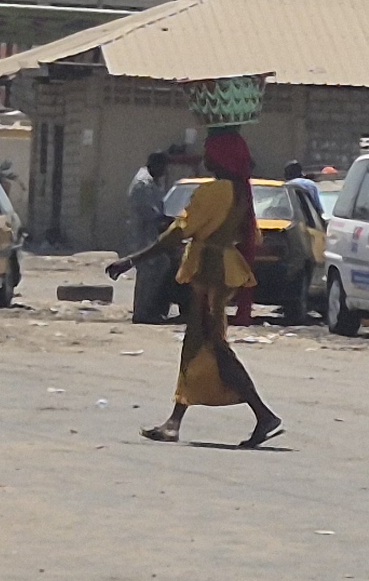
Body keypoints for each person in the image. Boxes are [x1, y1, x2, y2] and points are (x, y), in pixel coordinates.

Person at [109, 127, 280, 448]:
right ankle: (174, 421)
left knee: (214, 346)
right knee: (196, 345)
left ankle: (263, 413)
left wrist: (130, 260)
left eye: (209, 150)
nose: (205, 157)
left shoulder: (213, 191)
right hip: (219, 269)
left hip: (209, 273)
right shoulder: (240, 191)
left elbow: (178, 232)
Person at [122, 147, 179, 263]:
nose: (165, 170)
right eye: (163, 166)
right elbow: (151, 214)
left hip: (152, 242)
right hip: (145, 241)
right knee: (148, 276)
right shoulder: (143, 184)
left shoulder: (153, 181)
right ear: (154, 164)